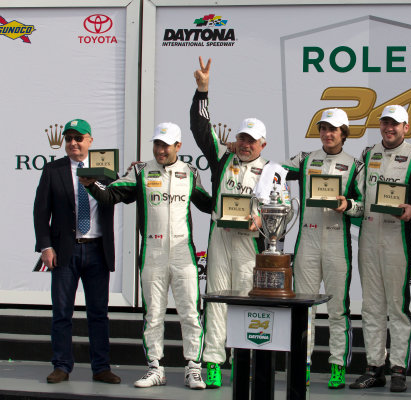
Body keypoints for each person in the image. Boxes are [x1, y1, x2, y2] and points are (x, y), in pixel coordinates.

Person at [81, 122, 212, 390]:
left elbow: (208, 204)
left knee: (190, 312)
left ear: (178, 146)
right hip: (152, 251)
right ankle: (155, 367)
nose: (160, 150)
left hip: (183, 253)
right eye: (157, 144)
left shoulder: (190, 172)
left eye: (166, 145)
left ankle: (194, 368)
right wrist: (91, 185)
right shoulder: (140, 171)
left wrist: (239, 207)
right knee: (153, 314)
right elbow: (110, 196)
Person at [190, 56, 268, 389]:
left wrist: (260, 219)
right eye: (242, 138)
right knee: (217, 299)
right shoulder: (223, 160)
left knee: (246, 301)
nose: (246, 144)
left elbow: (276, 210)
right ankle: (213, 361)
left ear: (263, 144)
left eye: (252, 140)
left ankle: (244, 358)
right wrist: (202, 91)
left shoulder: (272, 171)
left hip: (249, 243)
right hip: (220, 238)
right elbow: (199, 129)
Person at [33, 119, 121, 385]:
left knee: (98, 312)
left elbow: (118, 195)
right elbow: (40, 212)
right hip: (64, 252)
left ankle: (101, 367)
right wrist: (46, 246)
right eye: (68, 138)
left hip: (97, 249)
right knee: (62, 311)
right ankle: (61, 365)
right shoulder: (53, 170)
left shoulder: (105, 170)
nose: (73, 143)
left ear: (90, 141)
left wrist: (128, 175)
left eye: (78, 138)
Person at [282, 108, 364, 389]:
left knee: (338, 308)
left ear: (344, 133)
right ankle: (302, 364)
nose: (328, 134)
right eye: (323, 129)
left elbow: (363, 206)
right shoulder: (305, 159)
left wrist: (347, 205)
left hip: (336, 242)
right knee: (303, 307)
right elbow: (274, 171)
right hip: (307, 240)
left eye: (334, 129)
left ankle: (337, 365)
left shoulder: (355, 164)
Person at [349, 105, 411, 392]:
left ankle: (399, 368)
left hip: (398, 239)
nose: (389, 128)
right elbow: (358, 198)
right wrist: (346, 206)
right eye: (385, 123)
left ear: (407, 127)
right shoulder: (368, 154)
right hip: (369, 237)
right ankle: (374, 367)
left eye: (395, 124)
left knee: (398, 306)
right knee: (371, 306)